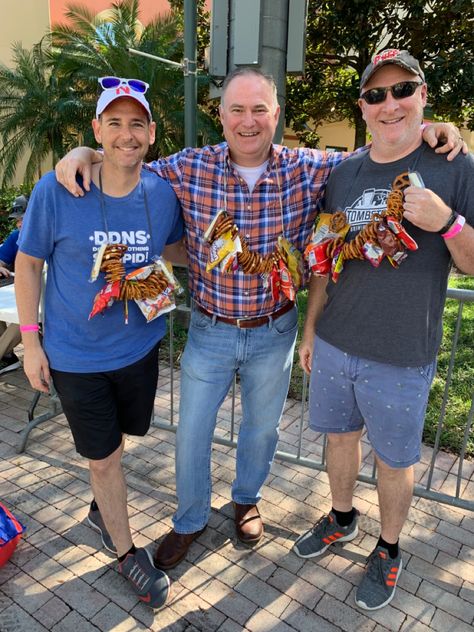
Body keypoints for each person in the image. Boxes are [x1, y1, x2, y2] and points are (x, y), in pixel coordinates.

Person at [54, 66, 466, 571]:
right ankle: (189, 520)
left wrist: (429, 128)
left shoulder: (311, 167)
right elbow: (127, 160)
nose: (248, 121)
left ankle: (246, 500)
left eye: (259, 110)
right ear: (221, 115)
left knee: (261, 431)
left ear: (275, 114)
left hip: (275, 330)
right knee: (193, 432)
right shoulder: (188, 166)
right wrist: (85, 153)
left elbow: (381, 149)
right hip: (208, 329)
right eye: (237, 110)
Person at [294, 49, 474, 611]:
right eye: (376, 95)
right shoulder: (343, 172)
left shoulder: (455, 165)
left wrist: (446, 221)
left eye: (402, 91)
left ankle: (389, 548)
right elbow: (326, 259)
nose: (389, 104)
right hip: (335, 342)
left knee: (395, 461)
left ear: (422, 95)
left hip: (402, 351)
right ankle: (342, 518)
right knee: (339, 441)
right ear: (363, 106)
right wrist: (310, 329)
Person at [15, 78, 186, 610]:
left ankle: (99, 506)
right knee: (105, 459)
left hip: (139, 349)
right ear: (97, 130)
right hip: (75, 357)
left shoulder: (162, 192)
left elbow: (178, 251)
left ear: (152, 134)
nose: (126, 134)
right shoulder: (58, 190)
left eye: (137, 124)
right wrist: (30, 342)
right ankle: (125, 551)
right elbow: (27, 262)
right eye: (114, 123)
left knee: (124, 436)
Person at [0, 195, 28, 375]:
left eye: (23, 219)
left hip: (47, 299)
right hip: (19, 291)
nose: (19, 224)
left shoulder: (53, 236)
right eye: (17, 220)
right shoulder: (16, 237)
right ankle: (8, 357)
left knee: (23, 319)